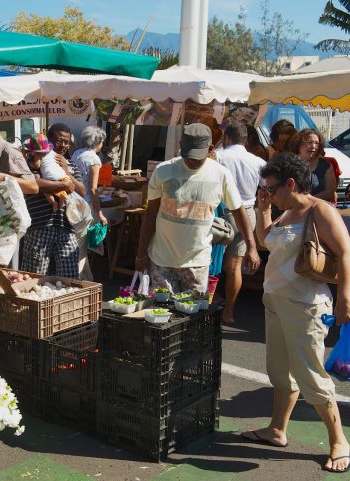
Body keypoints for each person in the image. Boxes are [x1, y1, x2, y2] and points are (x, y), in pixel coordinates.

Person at [241, 153, 350, 474]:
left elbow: (345, 252)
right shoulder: (285, 212)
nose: (268, 194)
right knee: (279, 370)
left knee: (310, 374)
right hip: (276, 301)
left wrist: (345, 297)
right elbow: (266, 242)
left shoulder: (320, 210)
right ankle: (277, 429)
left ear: (291, 183)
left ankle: (338, 441)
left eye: (271, 190)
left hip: (306, 306)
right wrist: (262, 211)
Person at [135, 123, 261, 294]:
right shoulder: (163, 171)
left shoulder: (221, 174)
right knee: (161, 315)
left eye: (197, 156)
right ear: (180, 146)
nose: (192, 161)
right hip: (161, 260)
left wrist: (251, 247)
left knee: (193, 316)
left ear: (210, 148)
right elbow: (151, 214)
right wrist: (141, 254)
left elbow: (239, 211)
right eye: (188, 155)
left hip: (198, 263)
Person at [216, 121, 266, 324]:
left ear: (227, 137)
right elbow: (266, 188)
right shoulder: (258, 161)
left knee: (209, 261)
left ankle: (205, 307)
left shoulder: (218, 156)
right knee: (235, 266)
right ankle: (229, 312)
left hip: (222, 212)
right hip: (247, 214)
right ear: (246, 140)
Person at [20, 127, 86, 278]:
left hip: (67, 227)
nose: (63, 145)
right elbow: (33, 184)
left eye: (67, 143)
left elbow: (82, 191)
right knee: (35, 276)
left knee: (69, 277)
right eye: (59, 141)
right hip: (40, 226)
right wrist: (63, 185)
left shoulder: (71, 165)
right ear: (48, 141)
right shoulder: (32, 162)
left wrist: (66, 172)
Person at [71, 126, 108, 227]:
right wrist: (100, 213)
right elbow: (93, 189)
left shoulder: (76, 153)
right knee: (88, 237)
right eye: (102, 141)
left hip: (73, 199)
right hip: (87, 203)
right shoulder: (94, 159)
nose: (102, 144)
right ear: (98, 142)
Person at [290, 128, 337, 203]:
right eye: (309, 142)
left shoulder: (325, 165)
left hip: (319, 209)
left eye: (316, 143)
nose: (313, 146)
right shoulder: (288, 164)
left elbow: (330, 192)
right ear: (298, 144)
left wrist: (307, 201)